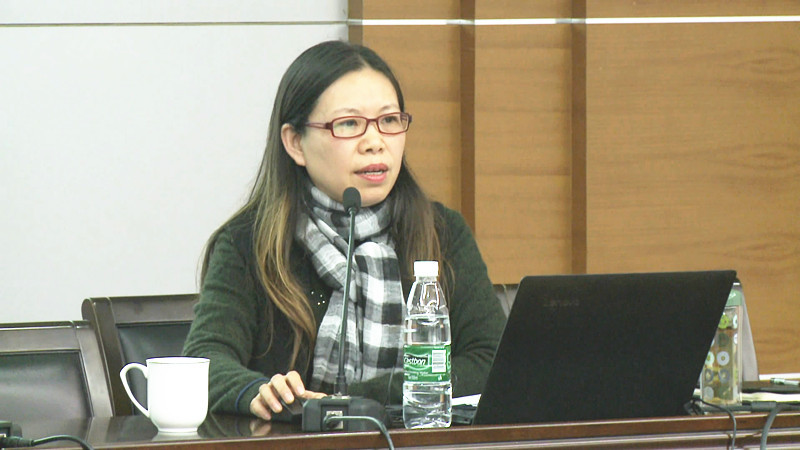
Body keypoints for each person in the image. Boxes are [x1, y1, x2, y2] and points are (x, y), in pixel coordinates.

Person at [182, 40, 506, 421]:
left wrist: (347, 401)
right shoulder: (250, 243)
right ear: (295, 143)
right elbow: (204, 360)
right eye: (349, 124)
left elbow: (492, 360)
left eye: (389, 121)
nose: (375, 143)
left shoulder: (440, 232)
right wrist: (257, 391)